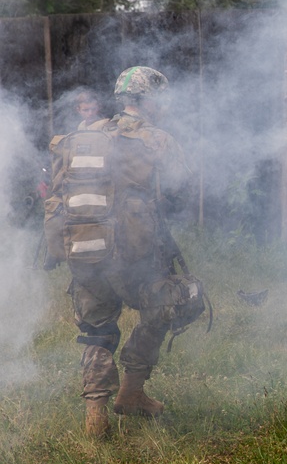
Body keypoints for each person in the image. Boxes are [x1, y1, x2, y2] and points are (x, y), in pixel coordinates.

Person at [45, 66, 197, 438]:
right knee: (168, 302)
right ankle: (131, 390)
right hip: (136, 253)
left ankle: (96, 414)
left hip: (85, 245)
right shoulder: (157, 139)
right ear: (149, 100)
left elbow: (58, 183)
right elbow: (182, 188)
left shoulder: (84, 135)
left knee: (96, 329)